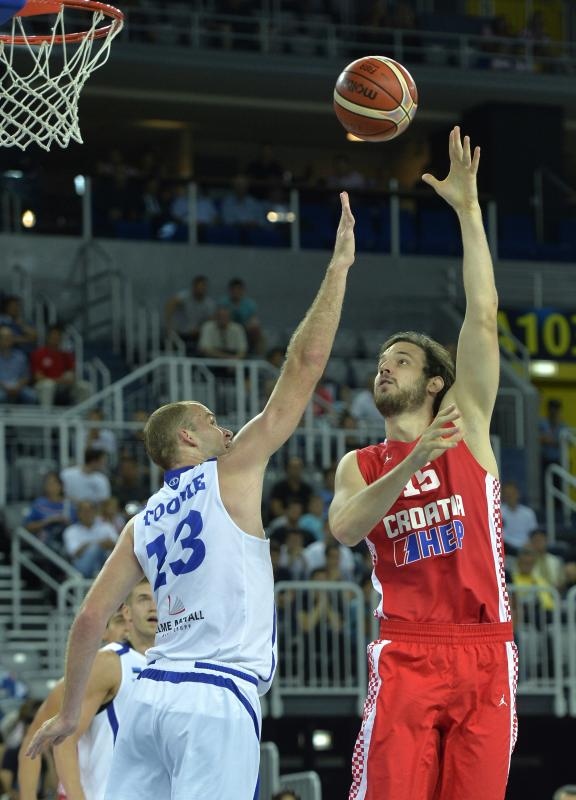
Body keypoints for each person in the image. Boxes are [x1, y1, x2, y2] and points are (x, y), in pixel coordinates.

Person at [26, 191, 356, 800]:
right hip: (215, 696)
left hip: (150, 697)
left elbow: (89, 619)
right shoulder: (234, 469)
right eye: (209, 418)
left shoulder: (140, 521)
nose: (223, 426)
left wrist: (71, 713)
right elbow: (304, 366)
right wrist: (337, 270)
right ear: (186, 436)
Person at [329, 127, 516, 800]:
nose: (385, 368)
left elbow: (484, 316)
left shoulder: (467, 420)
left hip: (484, 646)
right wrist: (408, 468)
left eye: (401, 360)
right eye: (381, 364)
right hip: (407, 649)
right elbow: (346, 529)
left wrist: (468, 212)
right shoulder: (363, 462)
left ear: (435, 380)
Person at [17, 590, 153, 800]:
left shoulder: (157, 665)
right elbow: (35, 742)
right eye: (117, 622)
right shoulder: (87, 675)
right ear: (104, 633)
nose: (125, 628)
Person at [30, 325, 91, 408]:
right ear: (48, 337)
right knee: (48, 385)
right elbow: (38, 377)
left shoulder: (65, 355)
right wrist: (58, 380)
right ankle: (46, 415)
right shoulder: (39, 354)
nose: (56, 338)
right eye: (54, 335)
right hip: (44, 385)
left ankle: (84, 415)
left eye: (58, 335)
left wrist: (69, 379)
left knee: (85, 386)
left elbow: (72, 375)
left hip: (62, 386)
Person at [164, 275, 216, 354]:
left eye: (203, 287)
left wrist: (199, 329)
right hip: (180, 332)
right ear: (194, 287)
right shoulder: (185, 296)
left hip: (196, 335)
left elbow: (210, 321)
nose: (201, 289)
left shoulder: (209, 303)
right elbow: (170, 305)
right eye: (199, 286)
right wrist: (169, 324)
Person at [501, 479, 538, 555]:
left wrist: (529, 544)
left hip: (527, 548)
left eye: (512, 494)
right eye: (507, 494)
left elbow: (533, 534)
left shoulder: (528, 513)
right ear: (503, 496)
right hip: (508, 549)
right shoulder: (498, 512)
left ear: (518, 494)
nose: (510, 497)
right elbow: (499, 537)